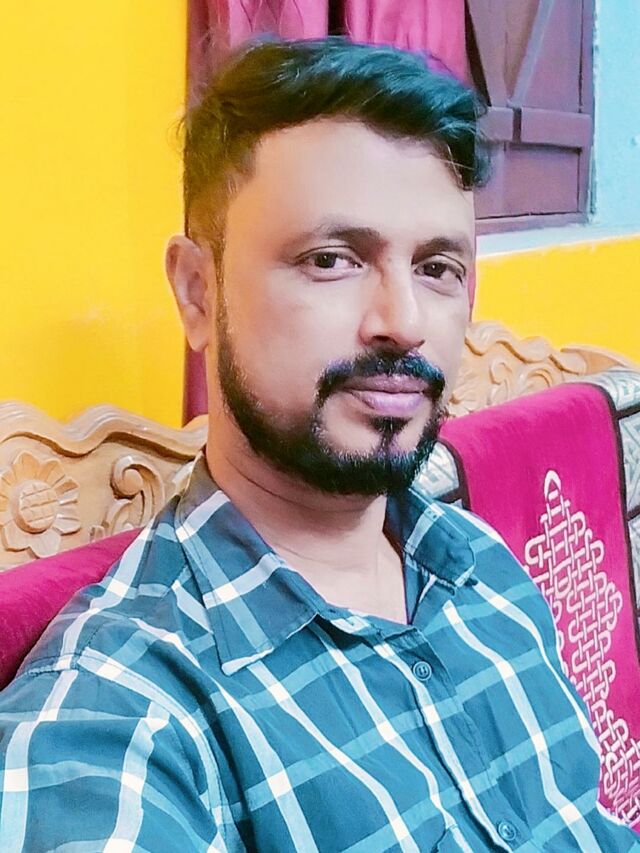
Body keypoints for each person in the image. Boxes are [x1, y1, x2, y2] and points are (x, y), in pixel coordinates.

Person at [0, 37, 637, 853]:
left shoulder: (483, 564)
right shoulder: (125, 720)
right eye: (331, 260)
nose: (404, 321)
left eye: (438, 267)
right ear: (197, 292)